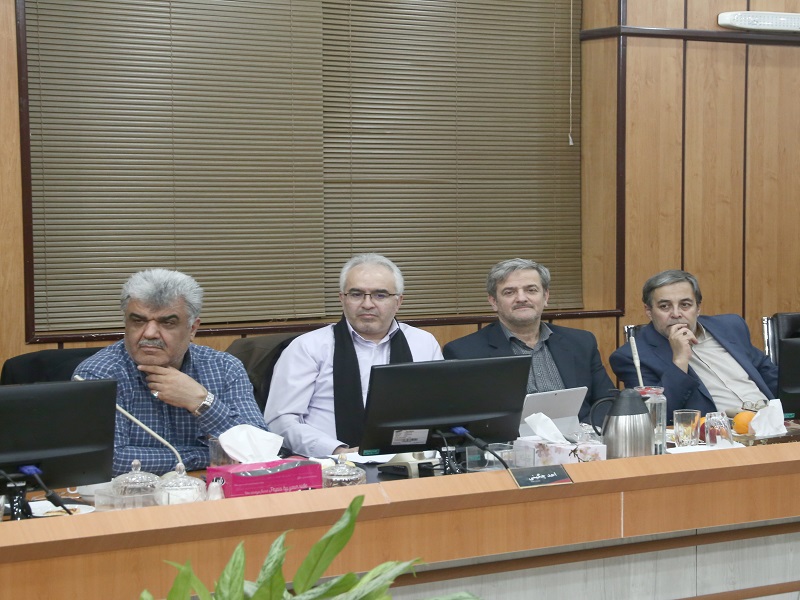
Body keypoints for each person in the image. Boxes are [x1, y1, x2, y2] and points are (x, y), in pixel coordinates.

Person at [74, 268, 267, 476]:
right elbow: (109, 460)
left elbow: (261, 449)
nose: (149, 333)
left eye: (167, 323)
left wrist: (202, 403)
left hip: (212, 490)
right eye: (138, 321)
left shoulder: (225, 368)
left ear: (192, 328)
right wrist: (209, 455)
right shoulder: (98, 374)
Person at [264, 253, 443, 457]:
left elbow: (439, 411)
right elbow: (280, 421)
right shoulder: (307, 347)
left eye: (380, 295)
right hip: (330, 463)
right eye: (357, 294)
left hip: (413, 459)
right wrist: (338, 451)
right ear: (342, 299)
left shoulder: (423, 343)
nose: (367, 304)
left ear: (398, 301)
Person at [443, 258, 615, 423]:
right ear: (494, 302)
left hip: (580, 439)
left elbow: (607, 400)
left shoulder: (581, 342)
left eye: (531, 290)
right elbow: (465, 418)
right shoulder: (465, 353)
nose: (521, 298)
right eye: (509, 292)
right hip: (510, 442)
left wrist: (586, 432)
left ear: (545, 297)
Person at [610, 269, 778, 419]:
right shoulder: (633, 357)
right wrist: (679, 361)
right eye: (665, 306)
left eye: (685, 305)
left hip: (774, 422)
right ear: (649, 311)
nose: (676, 314)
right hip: (719, 435)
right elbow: (654, 417)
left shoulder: (730, 327)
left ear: (698, 308)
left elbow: (771, 376)